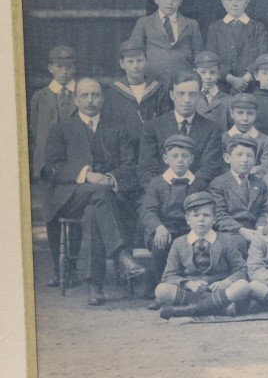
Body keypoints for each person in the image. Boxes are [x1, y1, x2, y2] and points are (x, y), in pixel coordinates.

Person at [41, 78, 146, 301]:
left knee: (97, 208)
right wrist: (87, 175)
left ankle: (95, 286)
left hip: (107, 196)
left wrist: (110, 178)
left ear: (103, 98)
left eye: (95, 95)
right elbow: (51, 167)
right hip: (71, 196)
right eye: (85, 95)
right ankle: (121, 255)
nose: (90, 100)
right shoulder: (61, 129)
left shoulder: (116, 128)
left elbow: (130, 164)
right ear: (76, 99)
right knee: (99, 195)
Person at [155, 191, 251, 319]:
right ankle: (219, 309)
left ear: (214, 219)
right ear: (187, 219)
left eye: (206, 215)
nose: (201, 219)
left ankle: (190, 311)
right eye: (196, 215)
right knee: (161, 290)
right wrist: (189, 284)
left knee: (242, 286)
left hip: (220, 291)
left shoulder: (226, 240)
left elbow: (242, 269)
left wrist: (226, 282)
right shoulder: (179, 243)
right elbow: (168, 276)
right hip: (192, 293)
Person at [139, 133, 210, 290]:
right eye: (175, 156)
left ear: (191, 159)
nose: (180, 160)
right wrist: (158, 227)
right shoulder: (157, 183)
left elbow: (204, 209)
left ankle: (189, 287)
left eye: (185, 156)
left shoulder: (198, 183)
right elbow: (148, 210)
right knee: (161, 245)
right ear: (166, 159)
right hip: (163, 229)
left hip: (188, 229)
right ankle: (160, 288)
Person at [138, 71, 225, 183]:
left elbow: (209, 169)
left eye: (192, 94)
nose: (186, 100)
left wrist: (186, 191)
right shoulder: (152, 127)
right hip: (161, 193)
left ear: (199, 96)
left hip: (196, 194)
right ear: (171, 95)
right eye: (180, 94)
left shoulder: (212, 129)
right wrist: (164, 192)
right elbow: (147, 169)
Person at [130, 0, 203, 86]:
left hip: (183, 81)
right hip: (153, 80)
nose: (170, 2)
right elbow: (135, 52)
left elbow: (198, 55)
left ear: (181, 1)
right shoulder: (144, 23)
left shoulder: (191, 24)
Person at [206, 0, 268, 95]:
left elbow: (263, 55)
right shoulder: (215, 28)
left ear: (247, 1)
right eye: (229, 0)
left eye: (239, 0)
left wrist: (246, 78)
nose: (234, 4)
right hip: (223, 87)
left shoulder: (258, 27)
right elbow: (212, 59)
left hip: (251, 87)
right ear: (222, 1)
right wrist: (231, 79)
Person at [101, 40, 172, 143]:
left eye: (139, 60)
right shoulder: (113, 91)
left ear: (146, 61)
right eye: (130, 61)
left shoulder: (157, 89)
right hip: (122, 146)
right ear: (122, 64)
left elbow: (165, 121)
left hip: (152, 144)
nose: (135, 66)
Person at [207, 136, 268, 247]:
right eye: (239, 155)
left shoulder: (260, 184)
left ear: (255, 161)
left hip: (256, 232)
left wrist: (261, 227)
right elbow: (218, 215)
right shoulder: (218, 183)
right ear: (227, 158)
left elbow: (264, 211)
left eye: (249, 156)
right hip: (230, 234)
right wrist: (241, 230)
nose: (245, 160)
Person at [29, 44, 78, 178]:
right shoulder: (39, 96)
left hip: (75, 160)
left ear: (75, 68)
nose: (64, 71)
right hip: (46, 162)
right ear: (50, 68)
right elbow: (34, 128)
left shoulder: (83, 93)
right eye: (59, 66)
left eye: (68, 67)